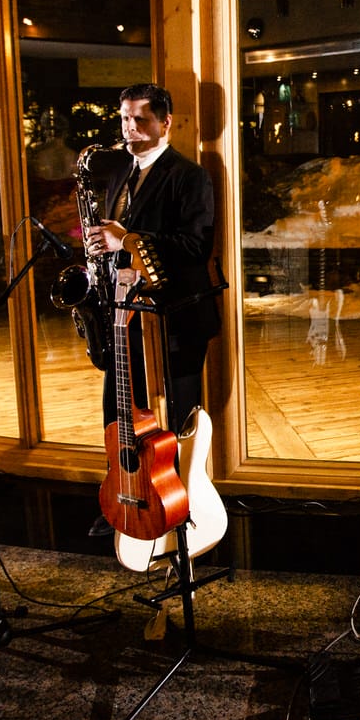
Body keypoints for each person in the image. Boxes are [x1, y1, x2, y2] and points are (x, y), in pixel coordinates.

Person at [88, 83, 221, 457]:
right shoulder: (120, 172)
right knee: (118, 418)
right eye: (125, 118)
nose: (129, 128)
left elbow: (196, 247)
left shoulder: (190, 176)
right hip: (125, 316)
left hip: (173, 321)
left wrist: (126, 239)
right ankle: (127, 496)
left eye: (140, 119)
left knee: (174, 428)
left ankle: (178, 507)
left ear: (166, 123)